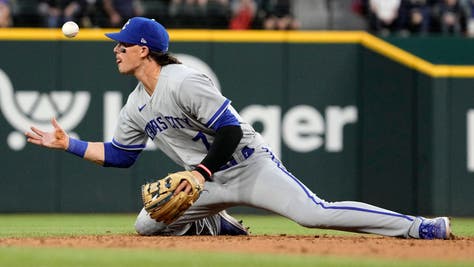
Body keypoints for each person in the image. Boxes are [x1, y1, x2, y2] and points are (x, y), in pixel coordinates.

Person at [26, 16, 452, 239]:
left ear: (144, 50)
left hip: (249, 166)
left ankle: (418, 226)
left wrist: (199, 172)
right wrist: (68, 144)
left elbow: (229, 132)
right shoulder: (135, 105)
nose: (115, 49)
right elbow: (120, 156)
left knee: (314, 214)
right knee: (147, 224)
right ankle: (215, 223)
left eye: (121, 43)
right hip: (205, 184)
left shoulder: (184, 80)